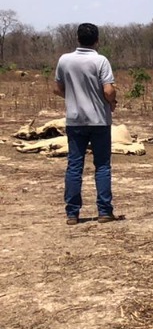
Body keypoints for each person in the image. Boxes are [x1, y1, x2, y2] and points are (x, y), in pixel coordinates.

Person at [54, 22, 121, 224]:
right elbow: (108, 90)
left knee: (74, 166)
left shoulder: (64, 60)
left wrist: (73, 98)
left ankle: (72, 213)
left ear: (77, 38)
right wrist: (112, 102)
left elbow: (57, 88)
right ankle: (104, 211)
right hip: (99, 120)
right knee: (102, 165)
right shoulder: (100, 61)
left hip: (75, 120)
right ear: (97, 40)